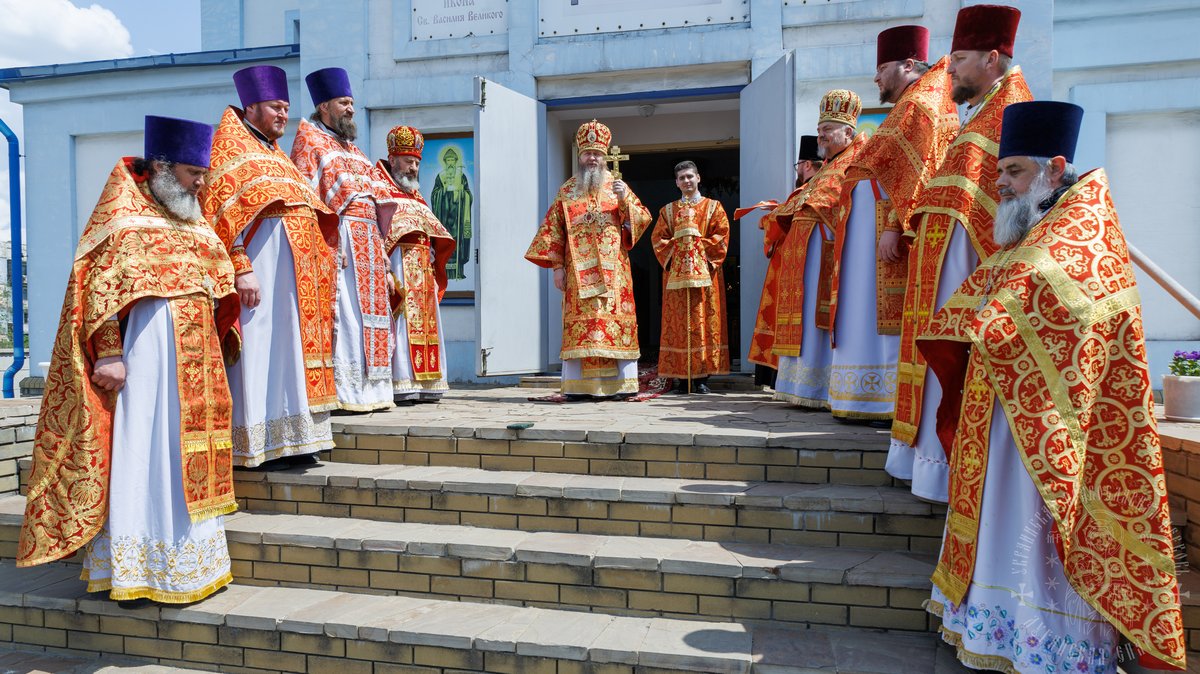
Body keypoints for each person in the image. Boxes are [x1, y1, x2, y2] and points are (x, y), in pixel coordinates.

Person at [921, 101, 1185, 673]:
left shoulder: (1084, 228)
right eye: (998, 175)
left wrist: (995, 322)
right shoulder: (1034, 226)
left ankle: (1048, 649)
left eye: (1012, 172)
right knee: (1001, 525)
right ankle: (994, 635)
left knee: (1037, 535)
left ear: (1054, 166)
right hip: (1004, 413)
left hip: (1057, 429)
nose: (1002, 186)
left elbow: (1063, 311)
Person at [18, 116, 240, 604]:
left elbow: (218, 277)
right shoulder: (121, 215)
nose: (201, 182)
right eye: (192, 172)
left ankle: (189, 565)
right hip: (148, 360)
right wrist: (111, 353)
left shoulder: (192, 217)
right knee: (145, 451)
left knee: (185, 456)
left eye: (203, 173)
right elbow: (95, 292)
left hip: (197, 362)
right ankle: (139, 567)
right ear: (161, 167)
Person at [887, 4, 1032, 502]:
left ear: (993, 58)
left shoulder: (1013, 109)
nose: (950, 69)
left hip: (966, 273)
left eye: (962, 58)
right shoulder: (984, 109)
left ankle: (948, 472)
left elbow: (1006, 210)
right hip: (944, 270)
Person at [204, 64, 339, 469]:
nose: (283, 114)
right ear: (252, 106)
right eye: (275, 107)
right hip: (260, 273)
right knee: (260, 353)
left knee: (291, 351)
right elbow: (219, 216)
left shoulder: (274, 153)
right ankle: (258, 443)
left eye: (285, 107)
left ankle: (297, 438)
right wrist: (241, 266)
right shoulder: (228, 148)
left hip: (297, 277)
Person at [290, 67, 397, 413]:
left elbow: (380, 195)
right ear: (324, 106)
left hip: (369, 241)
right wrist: (327, 244)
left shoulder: (354, 148)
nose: (351, 109)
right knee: (347, 315)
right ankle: (348, 392)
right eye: (344, 102)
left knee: (373, 315)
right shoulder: (310, 140)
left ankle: (375, 392)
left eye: (352, 102)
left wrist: (381, 245)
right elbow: (308, 197)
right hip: (344, 240)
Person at [843, 24, 959, 339]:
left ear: (908, 65)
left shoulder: (918, 104)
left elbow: (920, 170)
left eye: (882, 68)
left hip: (905, 231)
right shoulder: (925, 96)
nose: (876, 77)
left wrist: (894, 227)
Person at [525, 120, 652, 399]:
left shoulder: (619, 187)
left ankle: (621, 385)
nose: (592, 158)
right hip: (577, 273)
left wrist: (625, 202)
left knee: (612, 323)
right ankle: (578, 387)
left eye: (597, 153)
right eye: (587, 153)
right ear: (579, 156)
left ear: (605, 156)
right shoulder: (567, 190)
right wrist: (557, 268)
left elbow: (641, 220)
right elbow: (552, 230)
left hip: (614, 272)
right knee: (582, 325)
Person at [771, 90, 871, 414]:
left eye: (827, 129)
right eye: (820, 129)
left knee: (819, 317)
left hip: (825, 251)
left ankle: (818, 385)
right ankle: (799, 384)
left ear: (847, 132)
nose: (821, 135)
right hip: (804, 253)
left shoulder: (855, 160)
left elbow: (839, 202)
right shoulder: (828, 166)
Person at [377, 125, 456, 403]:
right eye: (409, 161)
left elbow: (432, 233)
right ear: (394, 158)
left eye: (417, 162)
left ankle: (427, 383)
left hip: (423, 269)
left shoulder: (417, 195)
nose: (413, 168)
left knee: (425, 324)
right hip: (398, 268)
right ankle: (402, 383)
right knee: (401, 325)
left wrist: (434, 260)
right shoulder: (379, 188)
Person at [744, 136, 822, 387]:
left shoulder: (808, 189)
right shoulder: (816, 187)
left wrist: (767, 220)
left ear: (807, 164)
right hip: (794, 261)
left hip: (791, 263)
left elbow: (782, 225)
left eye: (798, 164)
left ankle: (783, 378)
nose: (797, 170)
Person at [652, 160, 730, 394]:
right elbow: (658, 240)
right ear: (676, 183)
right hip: (676, 279)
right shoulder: (667, 211)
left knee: (703, 322)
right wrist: (680, 251)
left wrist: (696, 249)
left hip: (706, 277)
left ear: (698, 178)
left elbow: (722, 235)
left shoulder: (714, 207)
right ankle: (680, 378)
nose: (686, 181)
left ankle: (701, 378)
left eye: (690, 176)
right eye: (681, 178)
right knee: (678, 326)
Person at [430, 145, 473, 281]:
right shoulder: (440, 176)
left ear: (455, 162)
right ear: (445, 162)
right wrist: (444, 192)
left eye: (452, 161)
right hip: (444, 216)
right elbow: (434, 194)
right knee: (444, 242)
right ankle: (443, 273)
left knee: (458, 242)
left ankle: (458, 273)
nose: (450, 163)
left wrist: (461, 193)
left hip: (458, 217)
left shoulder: (461, 176)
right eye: (448, 161)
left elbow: (468, 195)